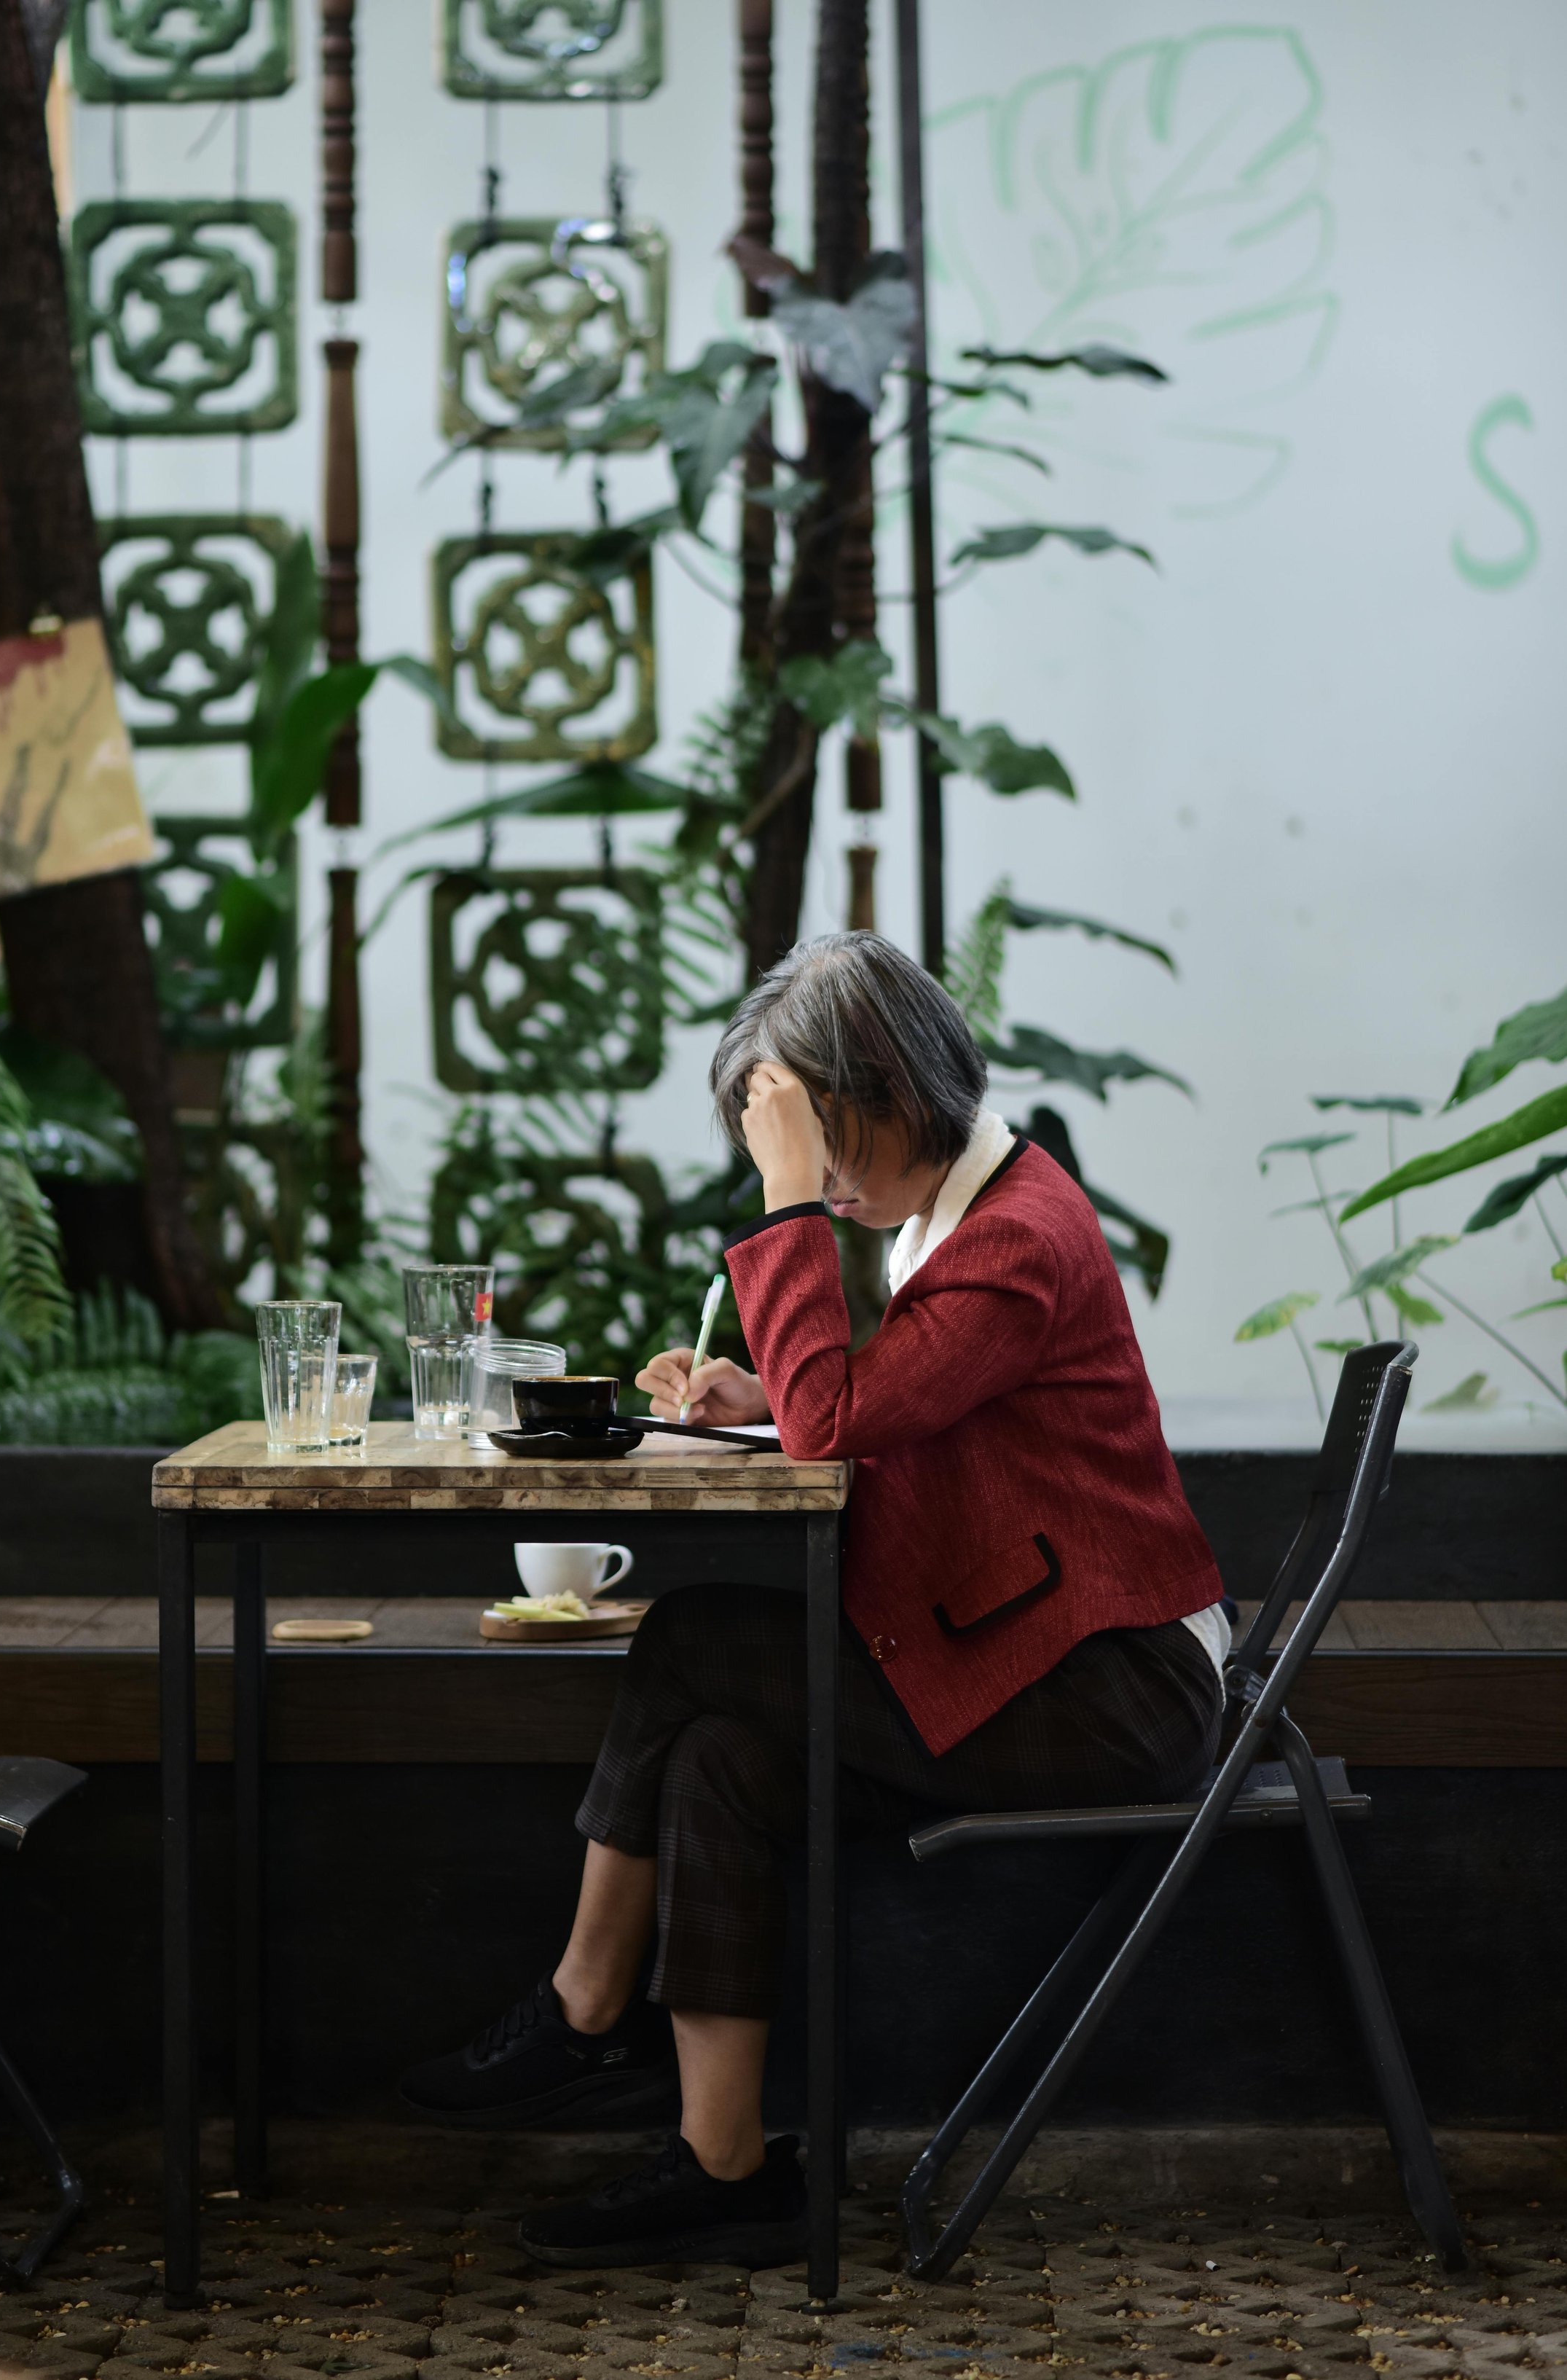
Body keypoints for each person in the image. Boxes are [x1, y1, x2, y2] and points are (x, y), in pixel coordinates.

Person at [399, 931, 1227, 2269]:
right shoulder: (960, 1218)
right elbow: (880, 1408)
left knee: (690, 1639)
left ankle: (583, 2005)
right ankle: (726, 2166)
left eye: (824, 1139)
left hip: (1113, 1683)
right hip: (1031, 1649)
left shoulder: (1016, 1239)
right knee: (721, 1757)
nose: (827, 1181)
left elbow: (841, 1417)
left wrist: (787, 1215)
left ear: (892, 1093)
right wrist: (769, 1397)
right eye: (807, 1157)